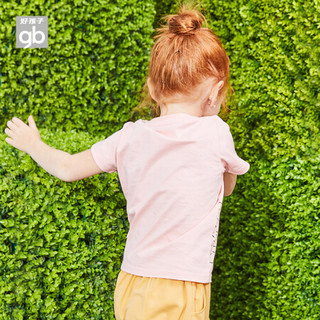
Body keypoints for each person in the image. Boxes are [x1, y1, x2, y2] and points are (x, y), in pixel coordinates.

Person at [5, 4, 249, 320]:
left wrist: (32, 145)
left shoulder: (130, 137)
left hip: (132, 280)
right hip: (183, 285)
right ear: (215, 92)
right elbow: (226, 189)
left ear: (151, 87)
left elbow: (67, 169)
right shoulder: (216, 132)